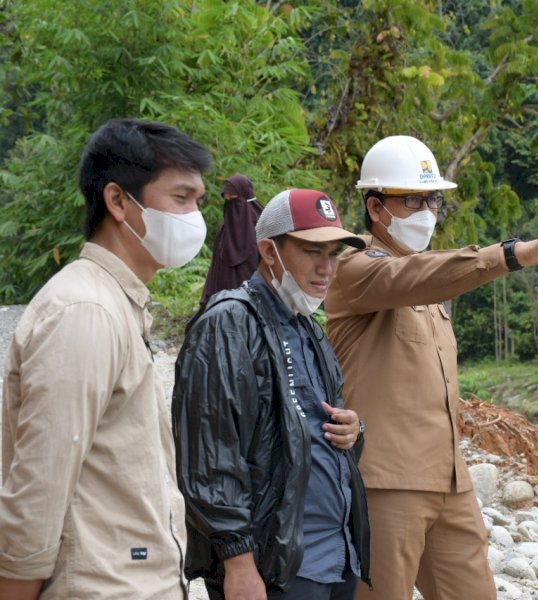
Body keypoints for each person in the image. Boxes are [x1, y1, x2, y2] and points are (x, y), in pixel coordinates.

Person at [324, 134, 538, 600]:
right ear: (376, 207)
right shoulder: (358, 268)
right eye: (412, 200)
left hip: (449, 478)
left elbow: (427, 278)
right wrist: (520, 252)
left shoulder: (425, 286)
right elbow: (418, 276)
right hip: (386, 480)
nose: (427, 211)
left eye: (433, 199)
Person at [0, 118, 212, 599]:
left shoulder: (117, 303)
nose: (194, 216)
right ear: (118, 201)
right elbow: (38, 490)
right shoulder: (85, 312)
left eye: (198, 201)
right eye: (180, 198)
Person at [172, 188, 371, 600]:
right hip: (272, 568)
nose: (326, 267)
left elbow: (308, 434)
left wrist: (354, 431)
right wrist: (238, 562)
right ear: (269, 250)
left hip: (334, 557)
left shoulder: (310, 328)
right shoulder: (229, 323)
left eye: (333, 253)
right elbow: (210, 455)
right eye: (311, 250)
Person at [200, 173, 264, 307]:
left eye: (233, 198)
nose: (229, 202)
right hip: (224, 286)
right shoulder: (227, 224)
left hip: (253, 287)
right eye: (226, 199)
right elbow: (217, 261)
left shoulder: (261, 221)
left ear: (244, 194)